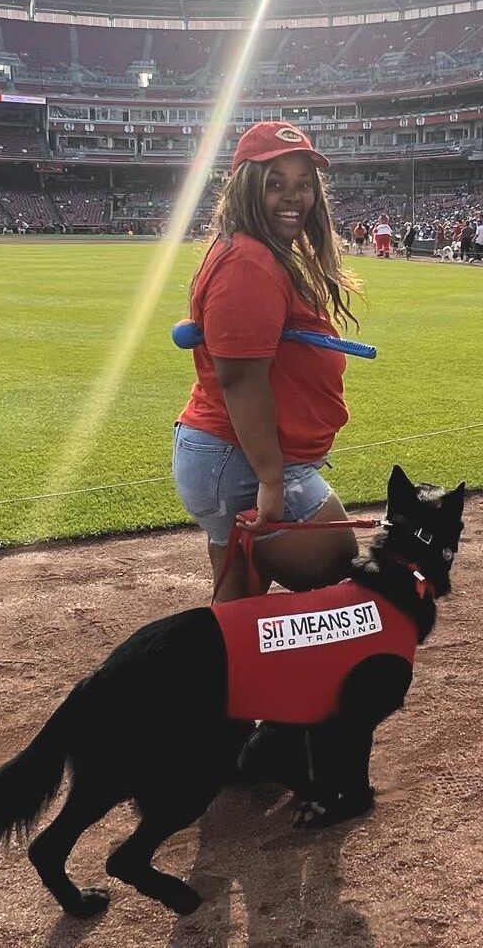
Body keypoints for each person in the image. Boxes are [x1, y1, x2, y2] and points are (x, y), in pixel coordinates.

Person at [174, 120, 361, 603]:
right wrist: (273, 481)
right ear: (246, 187)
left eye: (303, 185)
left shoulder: (256, 254)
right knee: (330, 553)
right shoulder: (248, 262)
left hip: (231, 454)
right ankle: (248, 550)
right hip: (237, 457)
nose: (293, 197)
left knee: (238, 601)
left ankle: (232, 667)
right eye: (274, 184)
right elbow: (240, 381)